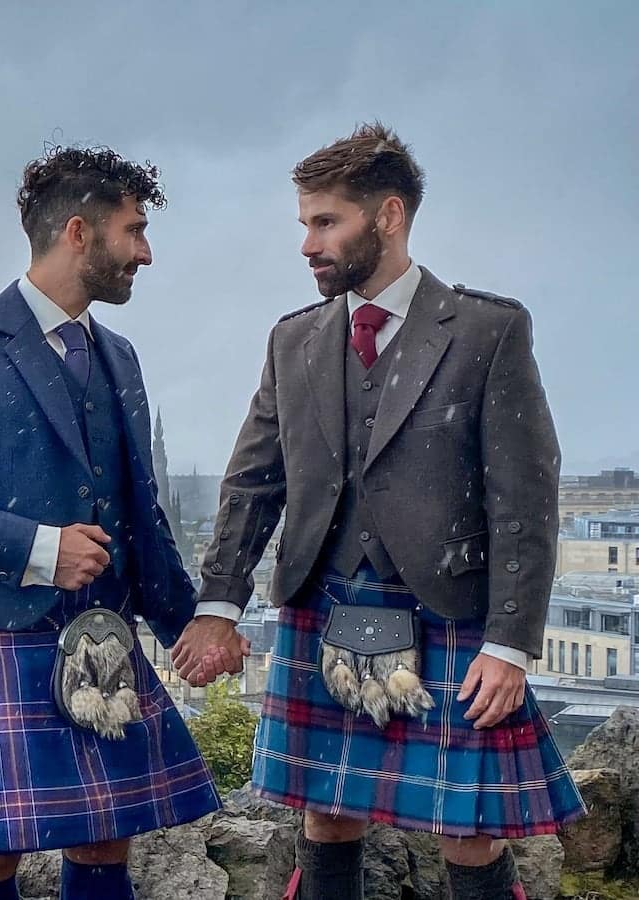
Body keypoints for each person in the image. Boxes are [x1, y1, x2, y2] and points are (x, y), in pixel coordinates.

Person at [195, 123, 585, 900]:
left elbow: (525, 498)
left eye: (325, 221)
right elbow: (253, 481)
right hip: (326, 599)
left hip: (449, 610)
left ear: (389, 216)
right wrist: (218, 603)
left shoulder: (486, 330)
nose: (308, 243)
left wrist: (510, 643)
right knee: (326, 814)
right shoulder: (294, 340)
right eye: (304, 223)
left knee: (468, 831)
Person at [0, 144, 247, 900]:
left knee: (109, 838)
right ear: (79, 232)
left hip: (102, 630)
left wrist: (193, 625)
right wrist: (41, 548)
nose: (146, 252)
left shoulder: (120, 356)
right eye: (134, 231)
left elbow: (142, 515)